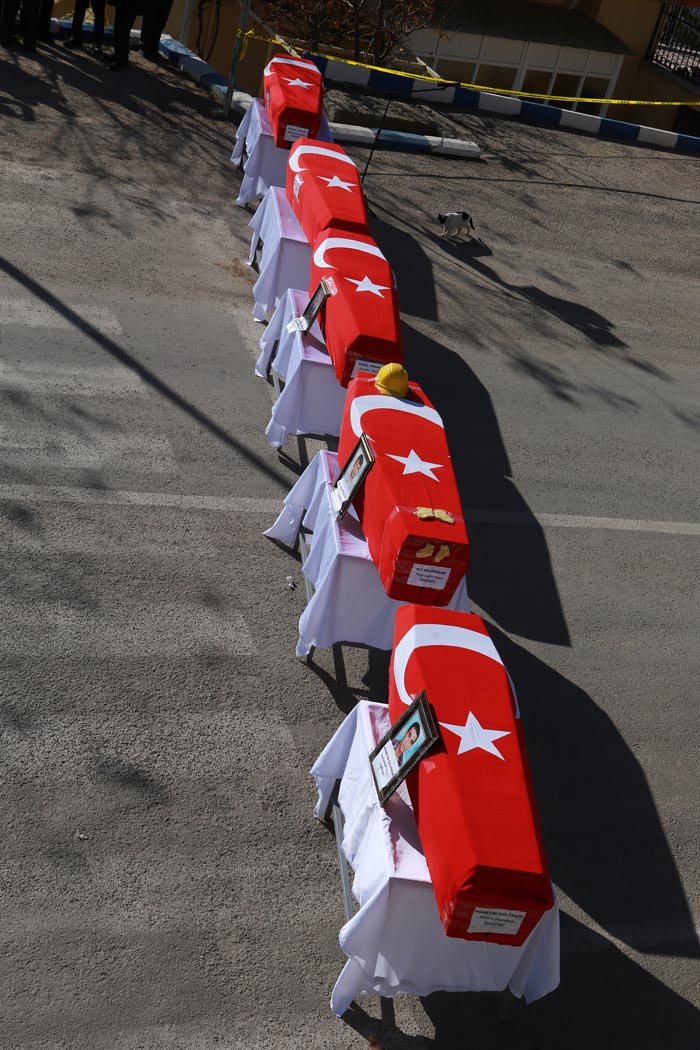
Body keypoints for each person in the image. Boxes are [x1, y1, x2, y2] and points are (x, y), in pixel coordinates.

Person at [106, 0, 140, 70]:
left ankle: (120, 60)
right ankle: (118, 55)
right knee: (119, 27)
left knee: (123, 30)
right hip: (123, 3)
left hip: (131, 4)